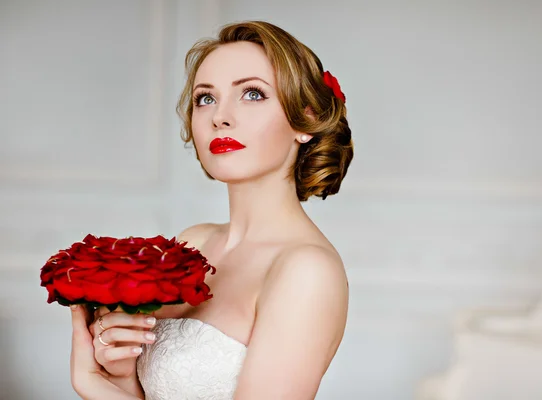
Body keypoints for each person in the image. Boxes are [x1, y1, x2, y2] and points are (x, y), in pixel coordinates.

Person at [69, 20, 354, 400]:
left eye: (252, 94)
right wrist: (119, 373)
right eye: (206, 98)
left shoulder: (307, 271)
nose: (220, 116)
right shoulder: (194, 242)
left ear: (308, 119)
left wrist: (91, 385)